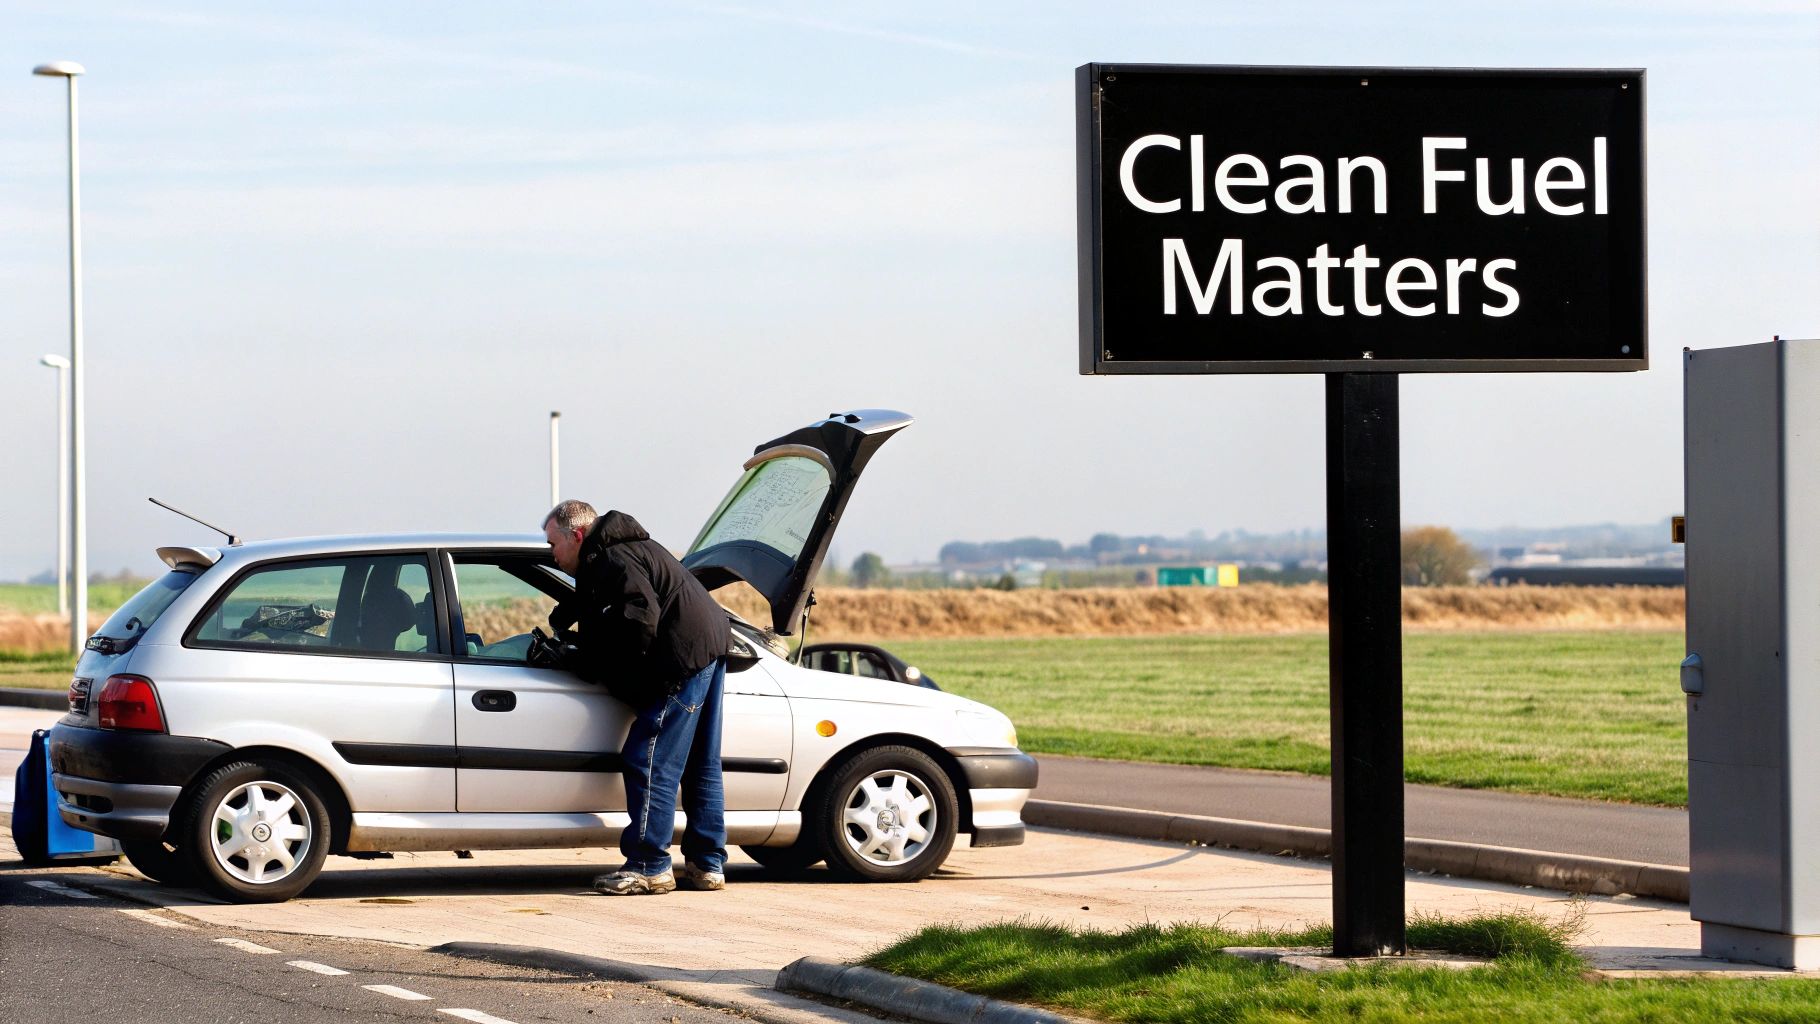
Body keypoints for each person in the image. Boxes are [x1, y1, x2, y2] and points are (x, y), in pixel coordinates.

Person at [542, 499, 730, 895]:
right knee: (700, 762)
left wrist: (607, 668)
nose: (552, 554)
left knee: (647, 757)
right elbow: (603, 598)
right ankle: (707, 863)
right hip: (709, 646)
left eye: (552, 544)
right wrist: (567, 616)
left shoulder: (613, 558)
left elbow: (639, 618)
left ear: (576, 535)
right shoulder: (613, 552)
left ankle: (650, 864)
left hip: (681, 657)